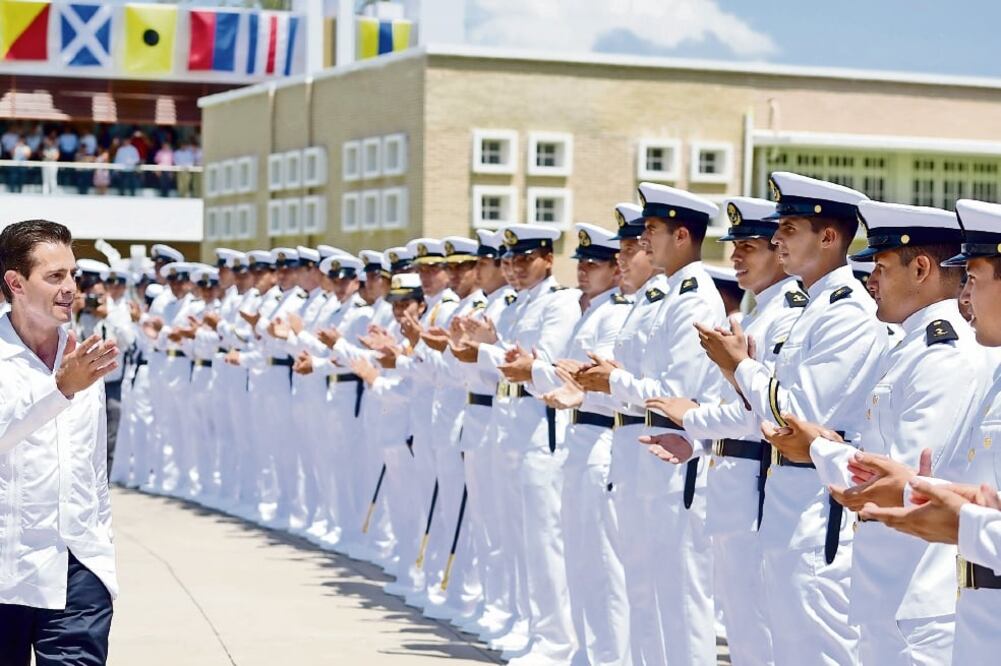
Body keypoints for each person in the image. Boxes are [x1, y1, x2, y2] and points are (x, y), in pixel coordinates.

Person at [698, 172, 889, 664]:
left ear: (828, 238)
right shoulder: (813, 305)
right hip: (786, 500)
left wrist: (738, 365)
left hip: (816, 505)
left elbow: (796, 414)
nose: (776, 238)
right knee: (786, 644)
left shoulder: (846, 310)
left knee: (819, 648)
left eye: (789, 228)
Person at [642, 196, 805, 666]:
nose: (735, 257)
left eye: (749, 247)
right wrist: (695, 438)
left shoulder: (788, 314)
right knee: (743, 627)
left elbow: (763, 412)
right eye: (733, 247)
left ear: (778, 251)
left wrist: (692, 418)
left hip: (758, 484)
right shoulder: (757, 314)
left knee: (762, 626)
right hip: (733, 480)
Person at [861, 198, 1001, 664]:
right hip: (956, 590)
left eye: (975, 280)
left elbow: (913, 473)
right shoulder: (979, 364)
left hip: (943, 591)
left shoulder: (951, 353)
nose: (966, 295)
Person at [0, 219, 120, 665]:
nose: (71, 287)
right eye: (55, 276)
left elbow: (93, 469)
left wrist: (101, 547)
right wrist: (60, 390)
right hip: (7, 567)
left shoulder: (85, 356)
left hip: (78, 570)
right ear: (15, 282)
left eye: (73, 275)